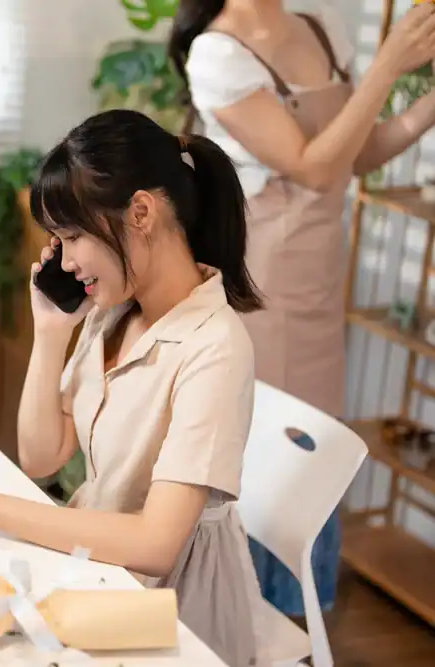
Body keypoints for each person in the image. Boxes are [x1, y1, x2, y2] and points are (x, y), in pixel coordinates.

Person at [0, 108, 267, 667]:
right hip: (98, 561)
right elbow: (41, 455)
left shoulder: (215, 348)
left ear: (140, 212)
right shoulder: (114, 312)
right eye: (59, 239)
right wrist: (52, 329)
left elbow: (157, 545)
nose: (65, 258)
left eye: (73, 235)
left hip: (172, 602)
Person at [168, 0, 435, 620]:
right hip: (261, 282)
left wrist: (425, 104)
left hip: (317, 282)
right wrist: (390, 64)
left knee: (316, 454)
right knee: (263, 458)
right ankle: (243, 624)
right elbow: (312, 169)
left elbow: (355, 155)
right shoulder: (218, 52)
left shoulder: (318, 23)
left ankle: (300, 619)